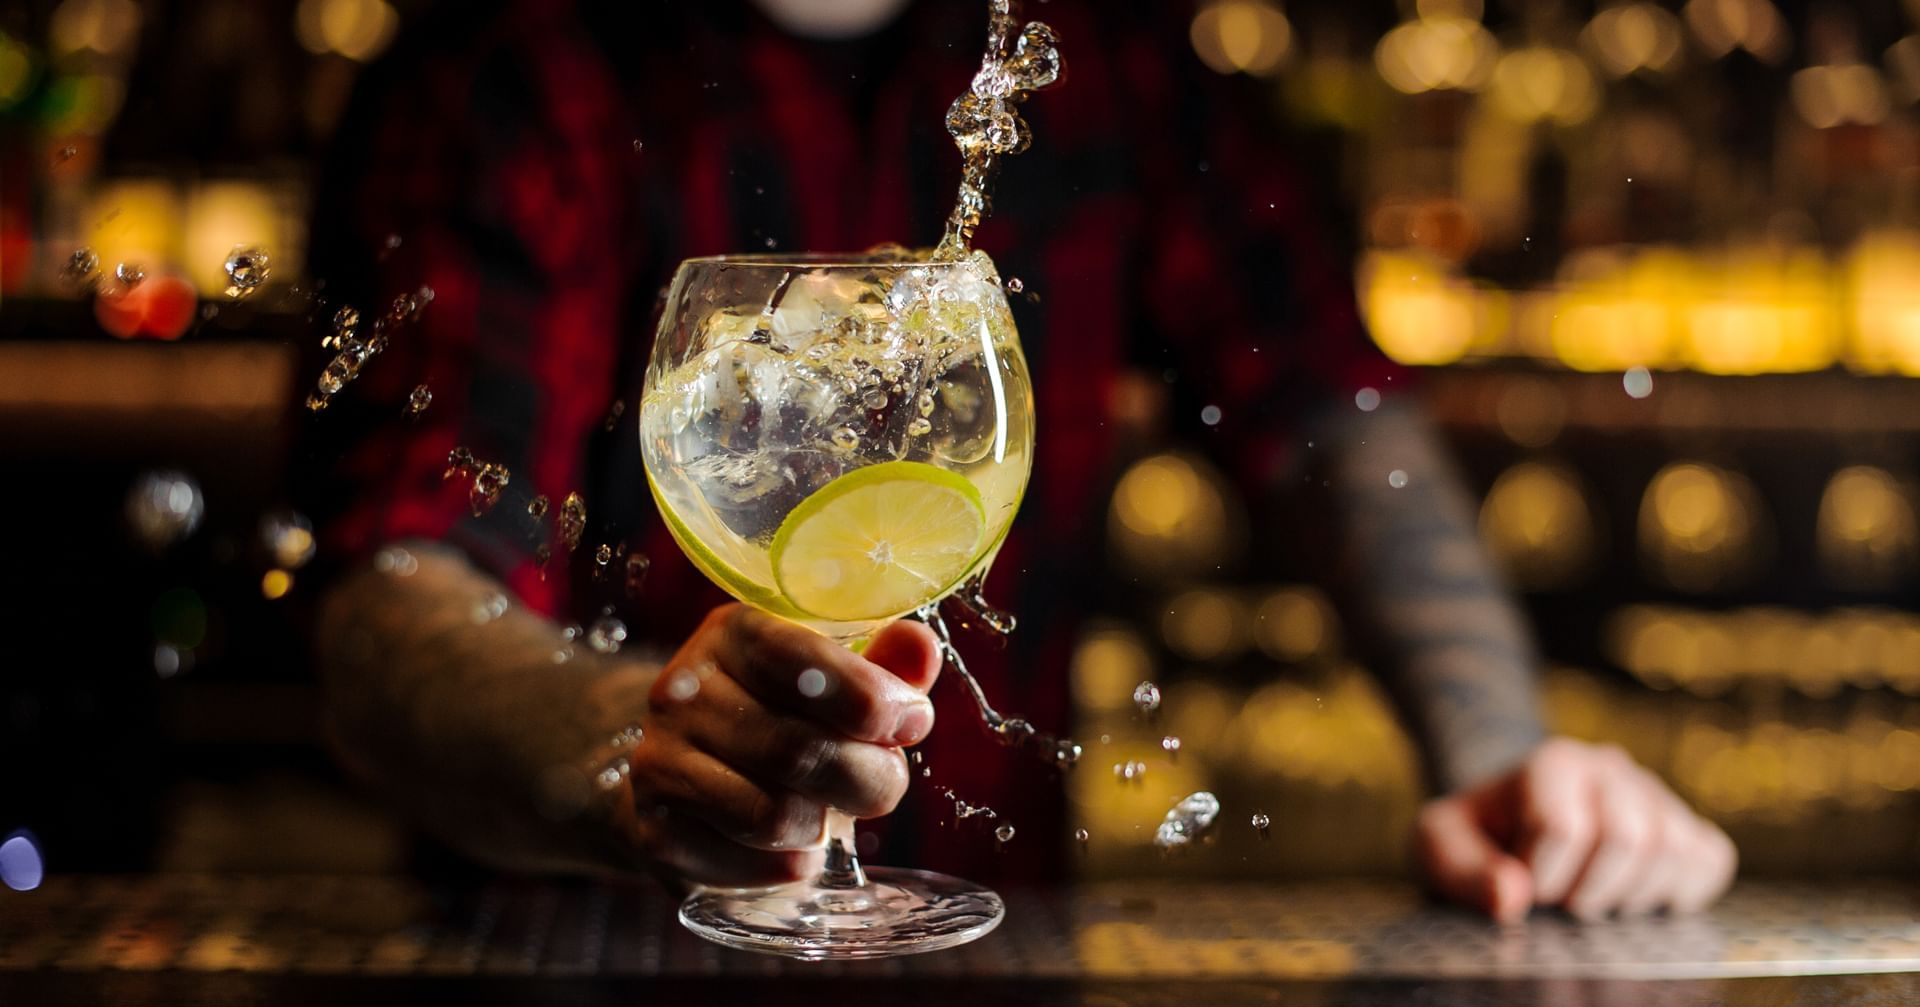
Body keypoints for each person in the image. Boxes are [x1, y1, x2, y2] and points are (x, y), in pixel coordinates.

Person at [296, 0, 1736, 923]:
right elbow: (393, 590)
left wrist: (1495, 752)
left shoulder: (1090, 47)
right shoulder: (512, 62)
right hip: (564, 989)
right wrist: (633, 751)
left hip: (991, 971)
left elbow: (1324, 411)